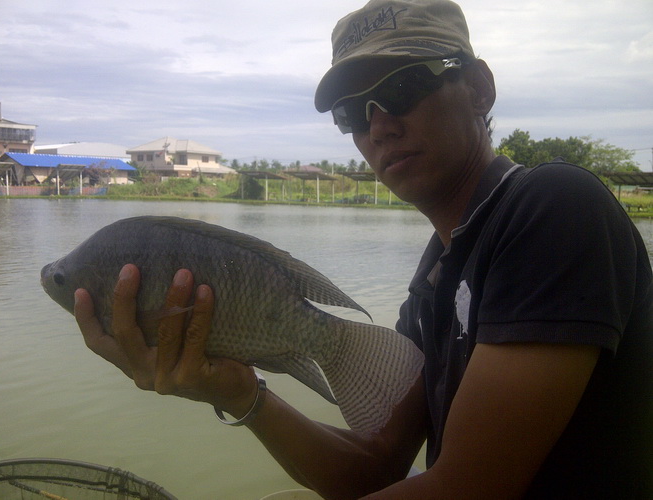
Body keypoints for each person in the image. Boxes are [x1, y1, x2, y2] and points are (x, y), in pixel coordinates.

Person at [74, 0, 653, 498]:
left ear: (478, 88)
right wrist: (237, 392)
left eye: (402, 87)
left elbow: (469, 492)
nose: (379, 125)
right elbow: (373, 470)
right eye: (353, 111)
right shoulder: (436, 277)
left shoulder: (552, 205)